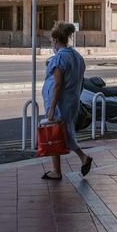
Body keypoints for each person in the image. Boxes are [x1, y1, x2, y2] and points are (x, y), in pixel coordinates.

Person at [41, 21, 94, 180]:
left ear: (56, 39)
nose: (52, 43)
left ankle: (58, 170)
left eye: (52, 40)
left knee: (55, 134)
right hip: (71, 102)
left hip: (60, 103)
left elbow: (58, 84)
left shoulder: (60, 58)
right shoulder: (77, 56)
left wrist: (52, 107)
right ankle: (79, 159)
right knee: (63, 133)